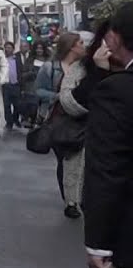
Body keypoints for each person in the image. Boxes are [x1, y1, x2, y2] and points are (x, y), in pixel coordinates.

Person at [82, 2, 133, 268]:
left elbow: (107, 170)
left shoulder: (119, 90)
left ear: (114, 38)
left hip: (128, 242)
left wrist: (99, 245)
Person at [40, 32, 89, 218]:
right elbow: (38, 89)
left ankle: (73, 200)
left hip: (79, 120)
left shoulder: (85, 69)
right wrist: (58, 96)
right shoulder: (50, 67)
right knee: (65, 160)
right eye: (81, 43)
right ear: (71, 47)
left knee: (78, 160)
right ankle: (69, 199)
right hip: (58, 121)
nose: (84, 46)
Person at [3, 40, 22, 131]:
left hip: (16, 84)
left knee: (17, 104)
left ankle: (16, 119)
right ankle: (9, 122)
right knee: (6, 105)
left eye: (9, 48)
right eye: (6, 48)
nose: (7, 49)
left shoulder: (17, 59)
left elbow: (20, 70)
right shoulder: (2, 59)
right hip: (6, 85)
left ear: (13, 49)